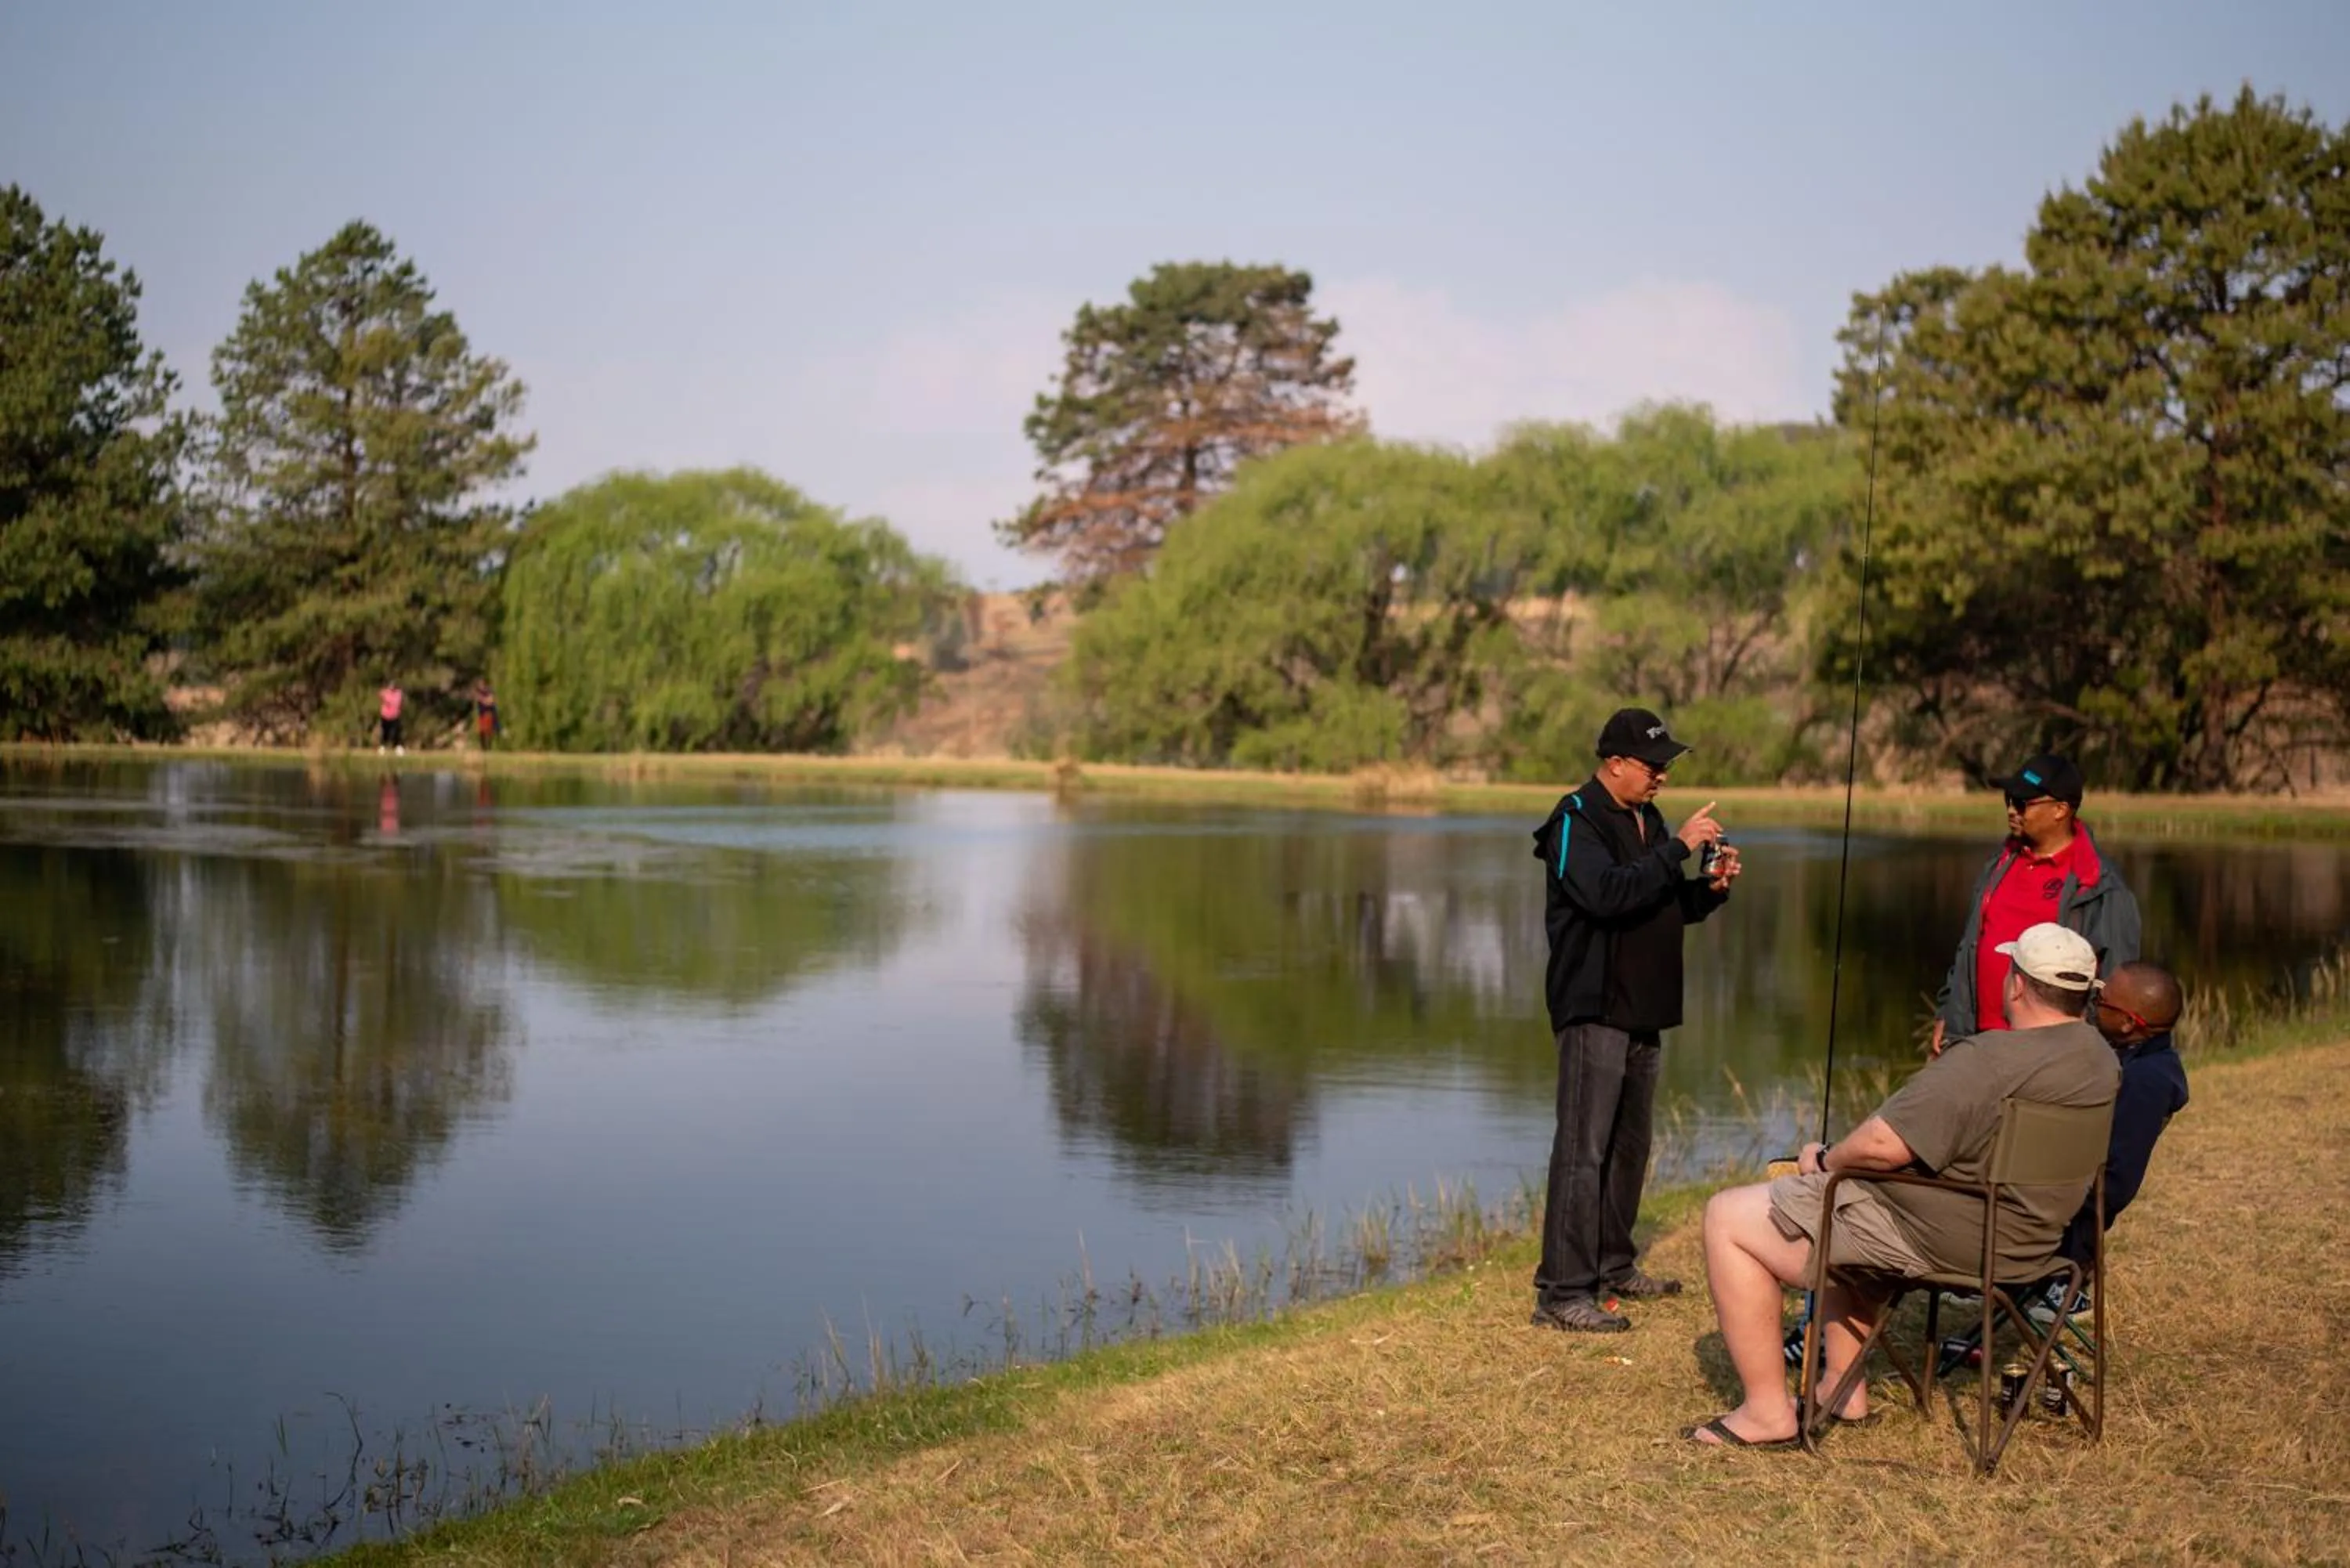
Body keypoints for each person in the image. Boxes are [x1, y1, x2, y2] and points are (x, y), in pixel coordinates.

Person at [1690, 922, 2118, 1447]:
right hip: (2031, 1243)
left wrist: (1824, 1158)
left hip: (1951, 1236)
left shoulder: (1989, 1060)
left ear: (2019, 985)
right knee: (1854, 1204)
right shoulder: (2101, 1061)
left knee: (1727, 1216)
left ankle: (1766, 1413)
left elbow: (1881, 1146)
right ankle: (1842, 1391)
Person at [1526, 706, 1740, 1334]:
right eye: (1654, 766)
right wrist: (1678, 849)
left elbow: (1661, 903)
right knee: (1581, 1150)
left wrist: (1710, 890)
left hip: (1644, 1007)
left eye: (1667, 766)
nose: (1662, 777)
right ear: (1614, 763)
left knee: (1629, 1147)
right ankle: (1562, 1293)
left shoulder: (1647, 820)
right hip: (1594, 1005)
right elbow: (1606, 895)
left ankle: (1613, 1266)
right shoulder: (1574, 819)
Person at [1929, 752, 2139, 1056]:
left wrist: (2081, 1051)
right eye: (2008, 799)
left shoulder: (2100, 885)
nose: (2012, 811)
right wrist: (1949, 1013)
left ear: (2060, 810)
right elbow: (1969, 946)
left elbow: (2117, 983)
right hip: (1975, 1042)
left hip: (2047, 1054)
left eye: (2023, 803)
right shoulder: (1998, 865)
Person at [473, 678, 501, 751]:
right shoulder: (478, 692)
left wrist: (483, 699)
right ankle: (483, 748)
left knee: (488, 731)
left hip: (488, 713)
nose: (481, 685)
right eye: (480, 684)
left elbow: (490, 702)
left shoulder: (489, 692)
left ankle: (488, 747)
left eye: (482, 684)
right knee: (481, 731)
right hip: (481, 714)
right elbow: (481, 699)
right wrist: (485, 700)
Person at [378, 681, 405, 755]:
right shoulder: (385, 692)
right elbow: (380, 695)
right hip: (385, 715)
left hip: (395, 716)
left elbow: (399, 702)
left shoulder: (398, 693)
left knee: (396, 733)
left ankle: (398, 748)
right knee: (385, 732)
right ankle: (382, 747)